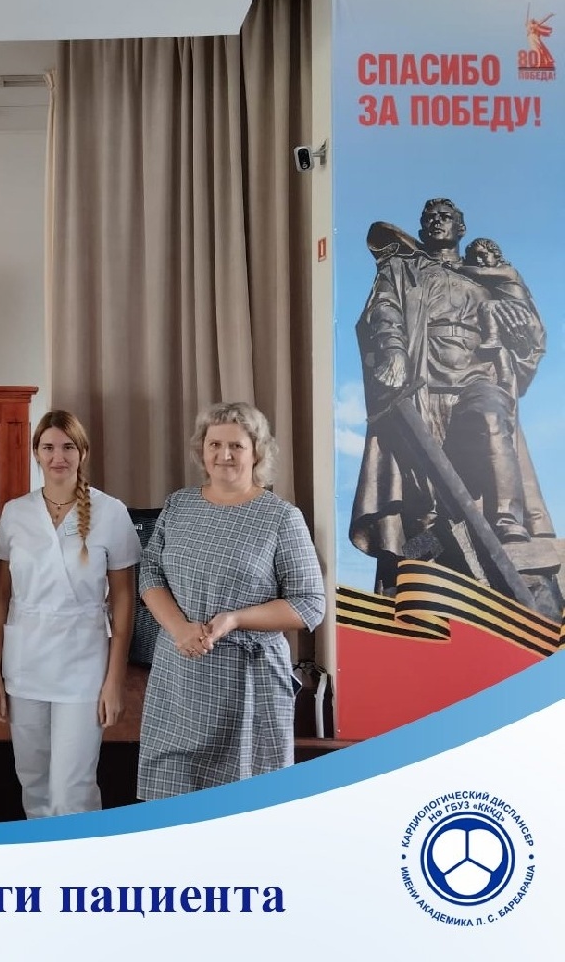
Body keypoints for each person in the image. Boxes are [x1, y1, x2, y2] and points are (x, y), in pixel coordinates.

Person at [351, 198, 554, 598]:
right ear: (421, 229)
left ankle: (506, 522)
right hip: (422, 380)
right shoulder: (403, 269)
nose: (436, 221)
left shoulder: (488, 277)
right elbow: (384, 311)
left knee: (492, 418)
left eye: (445, 217)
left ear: (461, 228)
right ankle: (422, 559)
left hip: (478, 375)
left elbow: (530, 332)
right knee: (424, 491)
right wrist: (393, 351)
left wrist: (520, 328)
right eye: (429, 218)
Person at [136, 402, 325, 799]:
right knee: (169, 809)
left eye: (236, 446)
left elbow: (309, 603)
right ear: (201, 450)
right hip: (178, 677)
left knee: (243, 810)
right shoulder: (178, 505)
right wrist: (179, 628)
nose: (224, 455)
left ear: (257, 452)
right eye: (215, 444)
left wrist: (235, 619)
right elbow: (150, 573)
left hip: (247, 683)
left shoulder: (281, 517)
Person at [0, 410, 141, 818]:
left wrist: (115, 681)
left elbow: (124, 599)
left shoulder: (111, 512)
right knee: (33, 781)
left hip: (84, 667)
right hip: (26, 663)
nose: (58, 457)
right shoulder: (16, 512)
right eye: (49, 447)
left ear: (82, 452)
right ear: (36, 453)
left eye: (68, 447)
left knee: (72, 790)